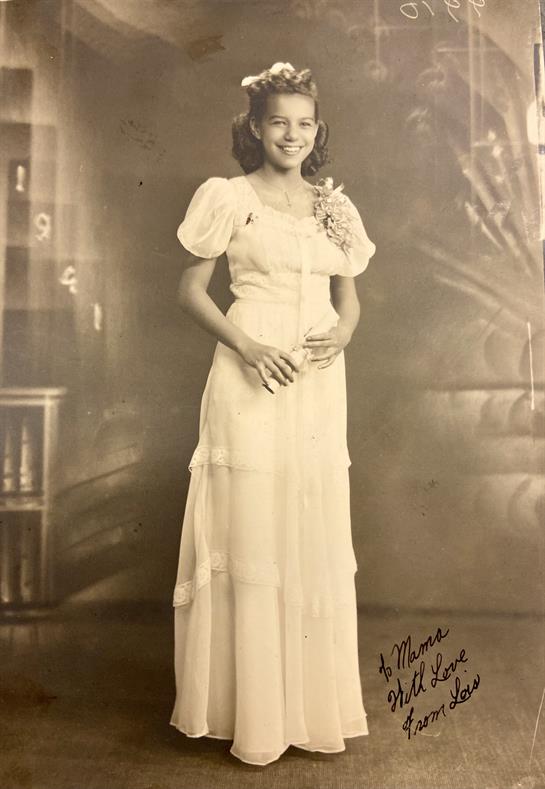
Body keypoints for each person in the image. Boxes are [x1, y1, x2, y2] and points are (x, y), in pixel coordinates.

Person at [169, 61, 377, 767]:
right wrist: (249, 346)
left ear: (317, 131)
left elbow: (349, 300)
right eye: (278, 122)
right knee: (254, 527)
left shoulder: (333, 205)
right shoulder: (228, 197)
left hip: (317, 378)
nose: (292, 134)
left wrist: (343, 333)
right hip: (249, 364)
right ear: (255, 128)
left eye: (304, 123)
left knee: (306, 526)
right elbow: (190, 292)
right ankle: (251, 715)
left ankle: (307, 710)